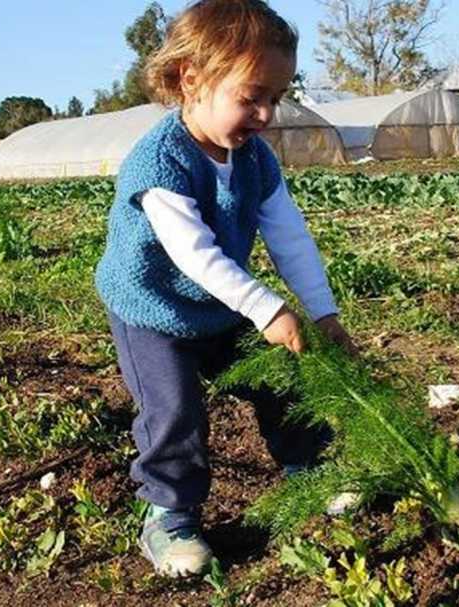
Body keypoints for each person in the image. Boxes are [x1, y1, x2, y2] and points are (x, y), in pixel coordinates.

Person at [94, 0, 356, 578]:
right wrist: (267, 308)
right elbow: (195, 255)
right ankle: (169, 514)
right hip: (153, 311)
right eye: (251, 96)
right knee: (175, 411)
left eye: (276, 98)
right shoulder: (160, 163)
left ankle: (310, 473)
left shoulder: (255, 159)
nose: (265, 113)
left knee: (282, 379)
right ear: (192, 80)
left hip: (217, 304)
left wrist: (323, 312)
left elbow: (289, 235)